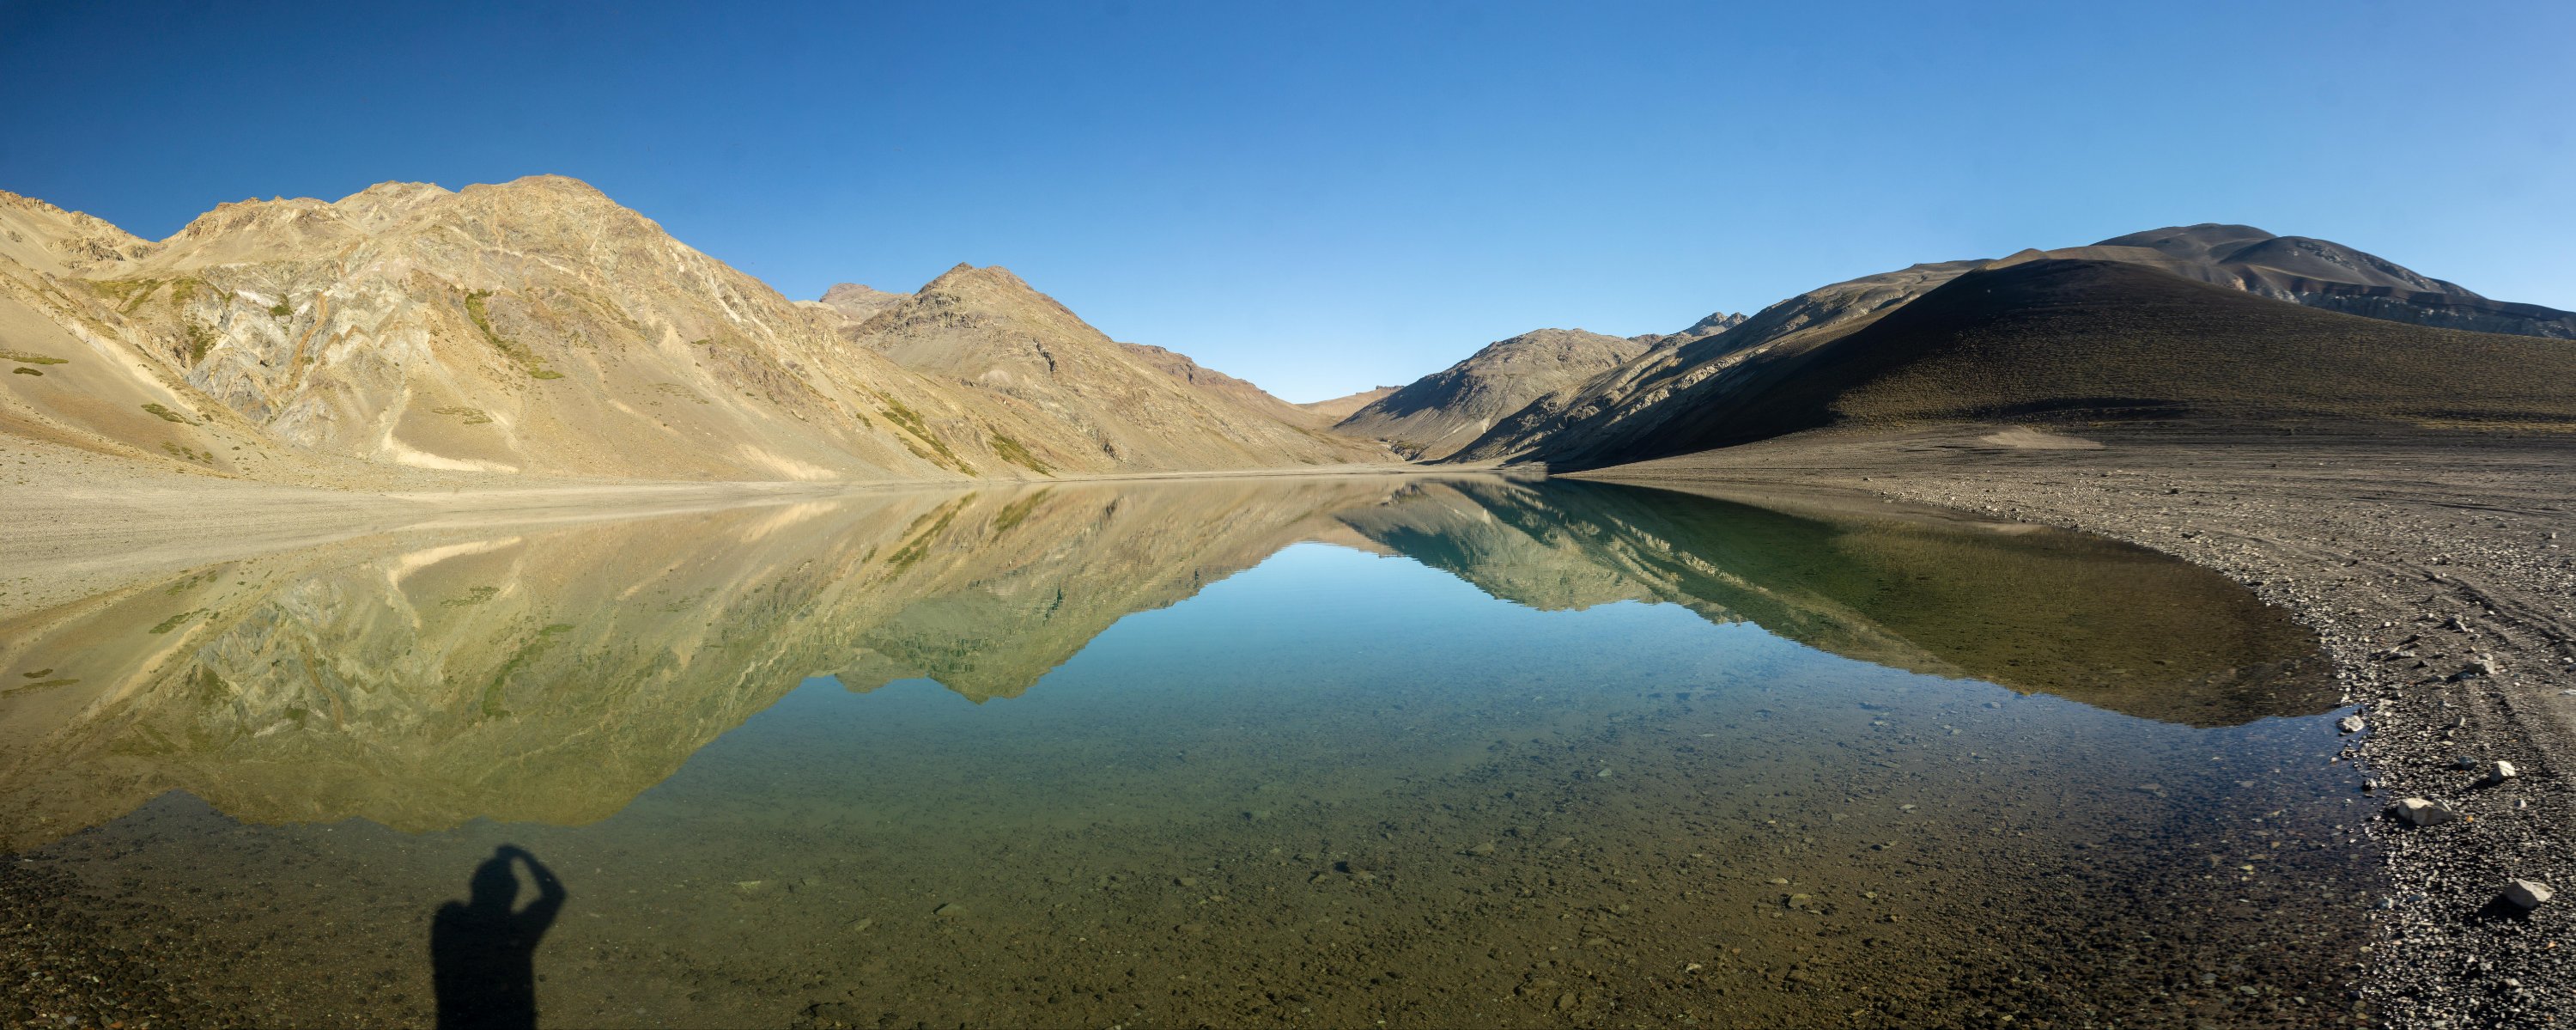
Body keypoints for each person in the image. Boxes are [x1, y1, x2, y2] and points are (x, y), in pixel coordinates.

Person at [431, 844, 567, 1030]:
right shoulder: (518, 930)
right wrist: (526, 857)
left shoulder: (450, 919)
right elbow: (555, 894)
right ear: (513, 893)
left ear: (474, 886)